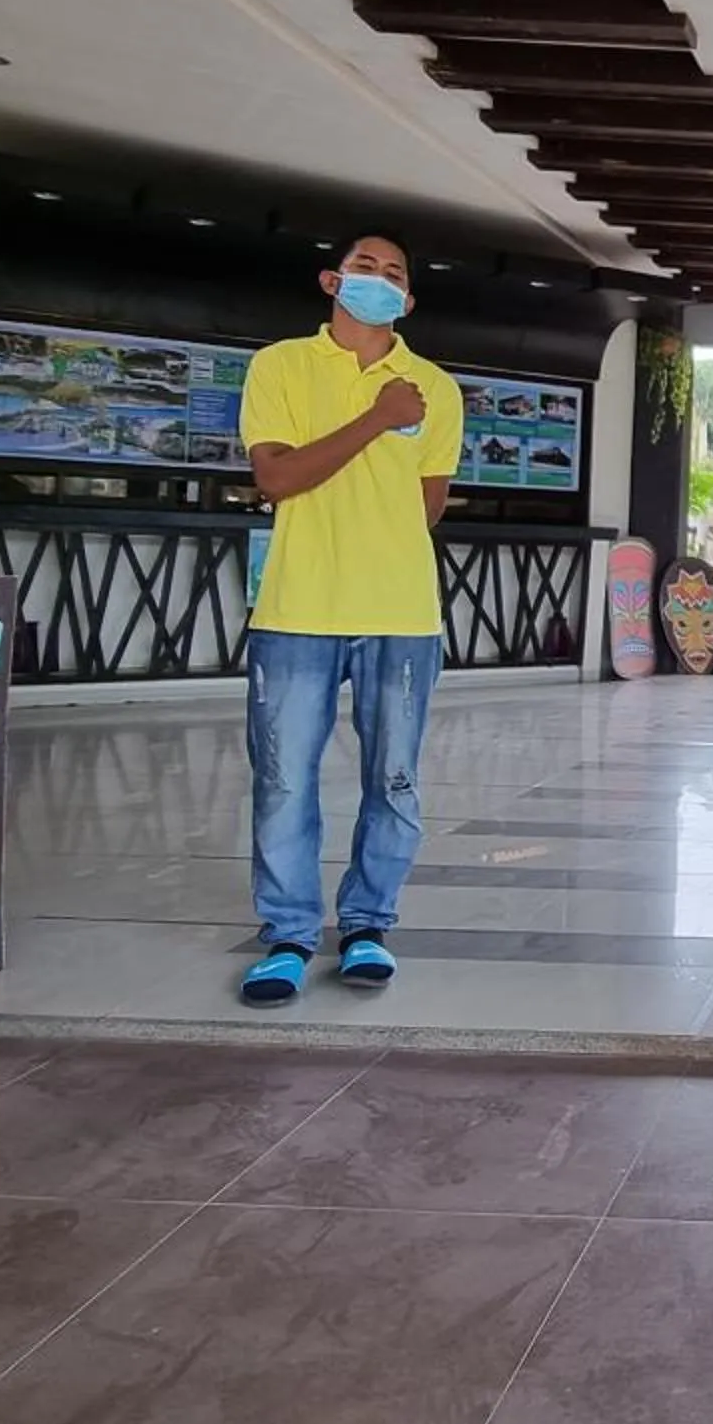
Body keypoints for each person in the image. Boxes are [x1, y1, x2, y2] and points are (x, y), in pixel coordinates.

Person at [234, 235, 462, 1005]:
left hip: (402, 613)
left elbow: (425, 508)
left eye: (396, 273)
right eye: (366, 267)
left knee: (393, 780)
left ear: (409, 301)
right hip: (297, 607)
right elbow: (275, 477)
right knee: (282, 780)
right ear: (332, 280)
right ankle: (288, 936)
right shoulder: (280, 366)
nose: (380, 280)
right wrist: (377, 418)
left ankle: (368, 925)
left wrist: (394, 425)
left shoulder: (436, 388)